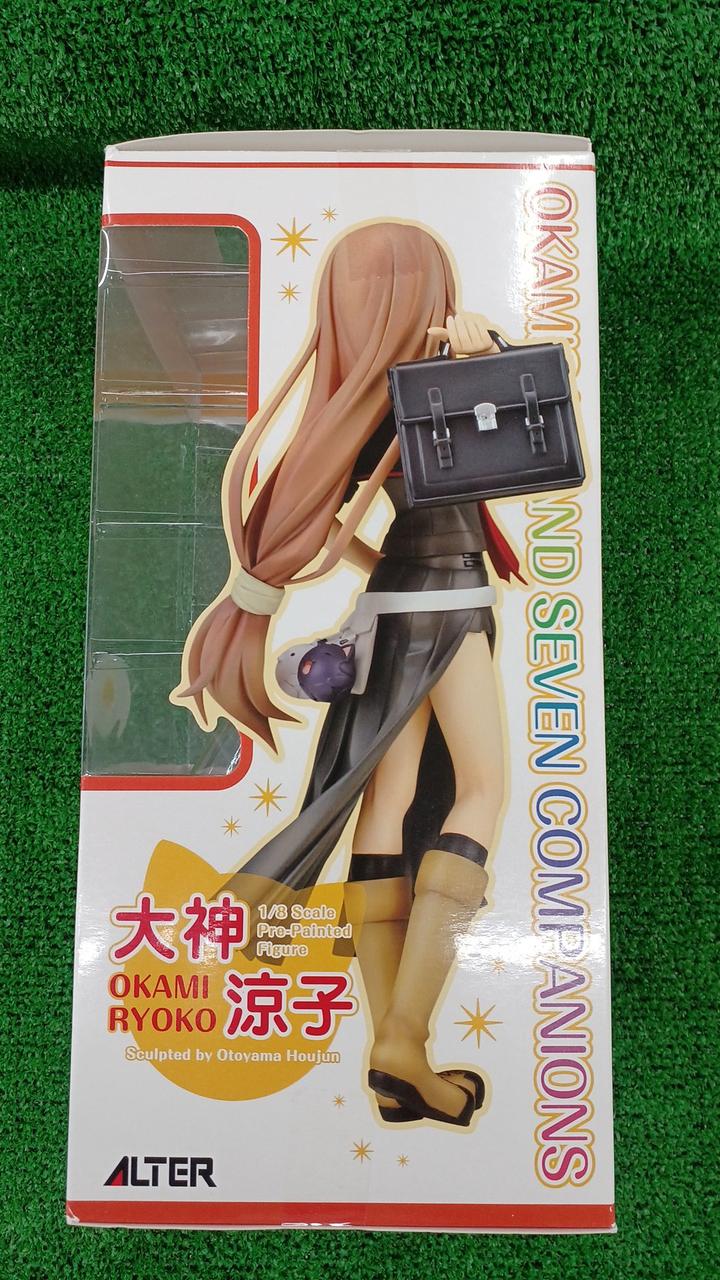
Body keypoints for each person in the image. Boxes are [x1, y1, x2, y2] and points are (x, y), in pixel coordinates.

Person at [175, 222, 523, 1126]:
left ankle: (392, 1062)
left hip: (393, 606)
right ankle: (404, 1038)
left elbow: (334, 534)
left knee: (389, 803)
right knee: (482, 790)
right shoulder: (438, 387)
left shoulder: (349, 410)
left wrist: (389, 572)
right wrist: (489, 360)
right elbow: (532, 442)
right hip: (447, 603)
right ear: (427, 291)